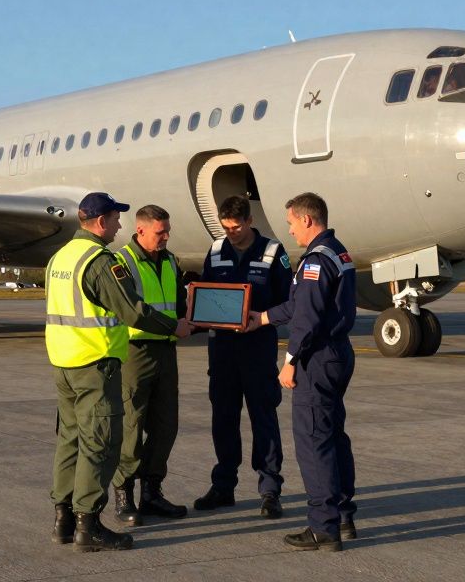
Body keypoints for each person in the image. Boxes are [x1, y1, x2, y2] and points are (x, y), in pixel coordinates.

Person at [46, 192, 194, 552]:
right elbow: (132, 311)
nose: (118, 225)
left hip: (64, 362)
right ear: (100, 222)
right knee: (100, 443)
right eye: (115, 219)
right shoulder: (99, 261)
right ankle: (88, 525)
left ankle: (64, 520)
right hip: (94, 363)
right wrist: (173, 326)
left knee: (70, 441)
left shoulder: (59, 257)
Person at [247, 192, 357, 552]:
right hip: (337, 354)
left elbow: (307, 318)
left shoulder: (315, 260)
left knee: (314, 442)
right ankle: (343, 516)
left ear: (307, 219)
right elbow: (299, 304)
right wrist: (263, 318)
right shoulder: (337, 251)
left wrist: (290, 361)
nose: (290, 230)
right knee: (333, 437)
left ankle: (323, 527)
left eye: (292, 223)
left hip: (317, 358)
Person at [193, 195, 292, 518]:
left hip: (257, 348)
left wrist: (262, 318)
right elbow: (206, 292)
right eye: (226, 228)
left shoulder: (273, 252)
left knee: (264, 418)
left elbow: (288, 302)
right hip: (222, 350)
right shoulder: (216, 250)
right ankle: (223, 485)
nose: (231, 233)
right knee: (223, 418)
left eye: (236, 227)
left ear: (249, 221)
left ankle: (270, 489)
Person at [110, 205, 190, 526]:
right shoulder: (122, 262)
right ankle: (124, 493)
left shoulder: (170, 261)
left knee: (166, 425)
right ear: (140, 230)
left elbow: (180, 303)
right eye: (160, 232)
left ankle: (152, 493)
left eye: (167, 230)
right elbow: (133, 310)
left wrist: (194, 317)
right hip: (136, 353)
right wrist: (174, 326)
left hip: (166, 352)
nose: (166, 236)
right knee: (132, 425)